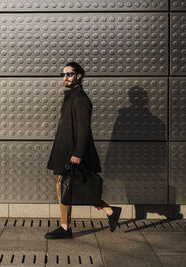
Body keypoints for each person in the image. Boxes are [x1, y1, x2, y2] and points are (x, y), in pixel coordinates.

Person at [45, 62, 122, 239]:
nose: (65, 78)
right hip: (67, 150)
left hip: (73, 152)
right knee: (76, 186)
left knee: (66, 186)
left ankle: (66, 227)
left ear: (79, 75)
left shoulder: (80, 99)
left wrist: (78, 154)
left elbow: (83, 129)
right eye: (63, 74)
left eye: (69, 74)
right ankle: (110, 211)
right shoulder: (72, 96)